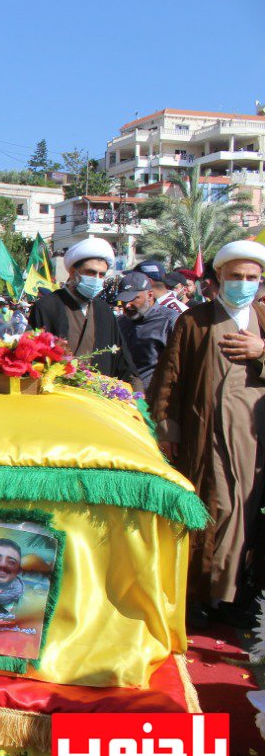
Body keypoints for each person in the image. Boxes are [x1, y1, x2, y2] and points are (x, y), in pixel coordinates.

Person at [148, 240, 265, 630]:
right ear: (218, 279)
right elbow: (170, 380)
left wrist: (262, 351)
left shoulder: (263, 320)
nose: (243, 284)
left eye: (251, 277)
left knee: (244, 512)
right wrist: (168, 430)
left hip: (254, 439)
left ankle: (230, 595)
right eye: (235, 277)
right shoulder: (194, 321)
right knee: (209, 509)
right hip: (205, 434)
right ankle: (198, 594)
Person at [28, 237, 139, 384]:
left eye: (102, 275)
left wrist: (136, 390)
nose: (97, 279)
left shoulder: (104, 310)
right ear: (73, 272)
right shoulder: (47, 307)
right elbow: (32, 358)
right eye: (91, 273)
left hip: (98, 399)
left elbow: (122, 359)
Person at [116, 270, 180, 389]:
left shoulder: (169, 321)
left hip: (153, 400)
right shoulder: (120, 322)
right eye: (123, 301)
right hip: (122, 398)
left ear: (150, 295)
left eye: (133, 299)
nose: (127, 305)